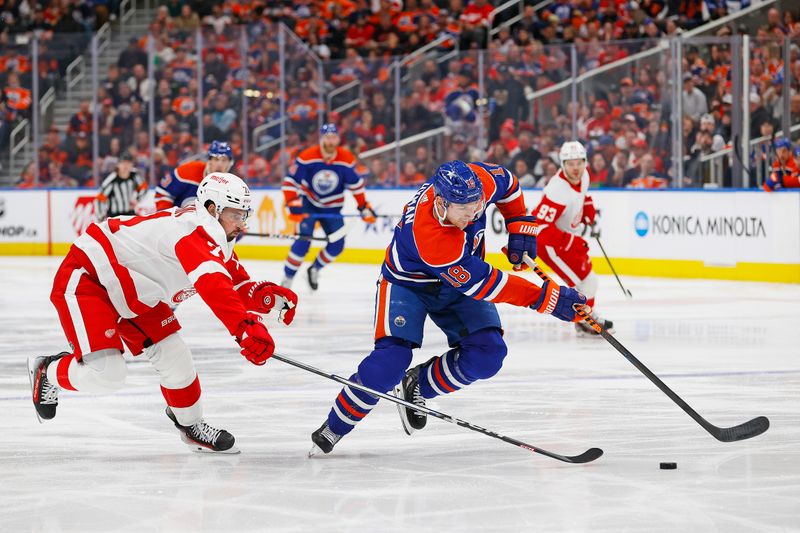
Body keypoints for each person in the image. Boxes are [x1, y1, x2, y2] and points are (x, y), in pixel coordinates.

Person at [308, 160, 586, 456]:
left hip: (458, 282)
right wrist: (548, 298)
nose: (473, 213)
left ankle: (418, 385)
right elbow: (487, 284)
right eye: (463, 208)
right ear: (441, 203)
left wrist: (519, 223)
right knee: (389, 362)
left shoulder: (476, 184)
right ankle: (334, 427)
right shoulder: (431, 237)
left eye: (477, 204)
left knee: (488, 355)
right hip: (408, 285)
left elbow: (507, 182)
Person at [28, 173, 299, 453]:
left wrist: (267, 298)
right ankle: (48, 371)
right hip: (91, 279)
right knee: (107, 374)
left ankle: (191, 425)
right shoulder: (193, 231)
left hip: (136, 294)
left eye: (244, 215)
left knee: (175, 355)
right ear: (211, 209)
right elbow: (213, 284)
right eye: (235, 215)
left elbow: (234, 281)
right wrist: (243, 328)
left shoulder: (215, 236)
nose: (241, 224)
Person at [530, 141, 614, 336]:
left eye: (579, 163)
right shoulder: (557, 191)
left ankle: (586, 316)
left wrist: (588, 206)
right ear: (563, 165)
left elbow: (583, 194)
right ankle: (584, 320)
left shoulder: (584, 175)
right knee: (584, 283)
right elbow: (540, 227)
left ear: (585, 162)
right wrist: (571, 242)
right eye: (570, 164)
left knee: (589, 281)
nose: (576, 168)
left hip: (565, 241)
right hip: (550, 245)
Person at [281, 123, 377, 290]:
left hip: (333, 209)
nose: (331, 141)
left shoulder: (346, 159)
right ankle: (287, 279)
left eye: (334, 137)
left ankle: (315, 269)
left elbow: (356, 186)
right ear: (321, 139)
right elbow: (290, 182)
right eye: (327, 137)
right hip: (309, 205)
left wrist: (363, 207)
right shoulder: (307, 156)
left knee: (337, 244)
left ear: (338, 139)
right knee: (303, 242)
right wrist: (293, 203)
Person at [154, 140, 234, 210]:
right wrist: (168, 219)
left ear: (229, 164)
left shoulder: (232, 186)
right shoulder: (189, 170)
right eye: (216, 159)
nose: (219, 164)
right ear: (209, 160)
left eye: (224, 160)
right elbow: (162, 192)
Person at [94, 151, 148, 221]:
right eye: (123, 163)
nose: (126, 166)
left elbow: (144, 188)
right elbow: (99, 199)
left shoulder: (134, 175)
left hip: (129, 214)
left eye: (128, 163)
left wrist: (137, 199)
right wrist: (100, 217)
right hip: (115, 216)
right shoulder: (111, 180)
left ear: (132, 164)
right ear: (118, 165)